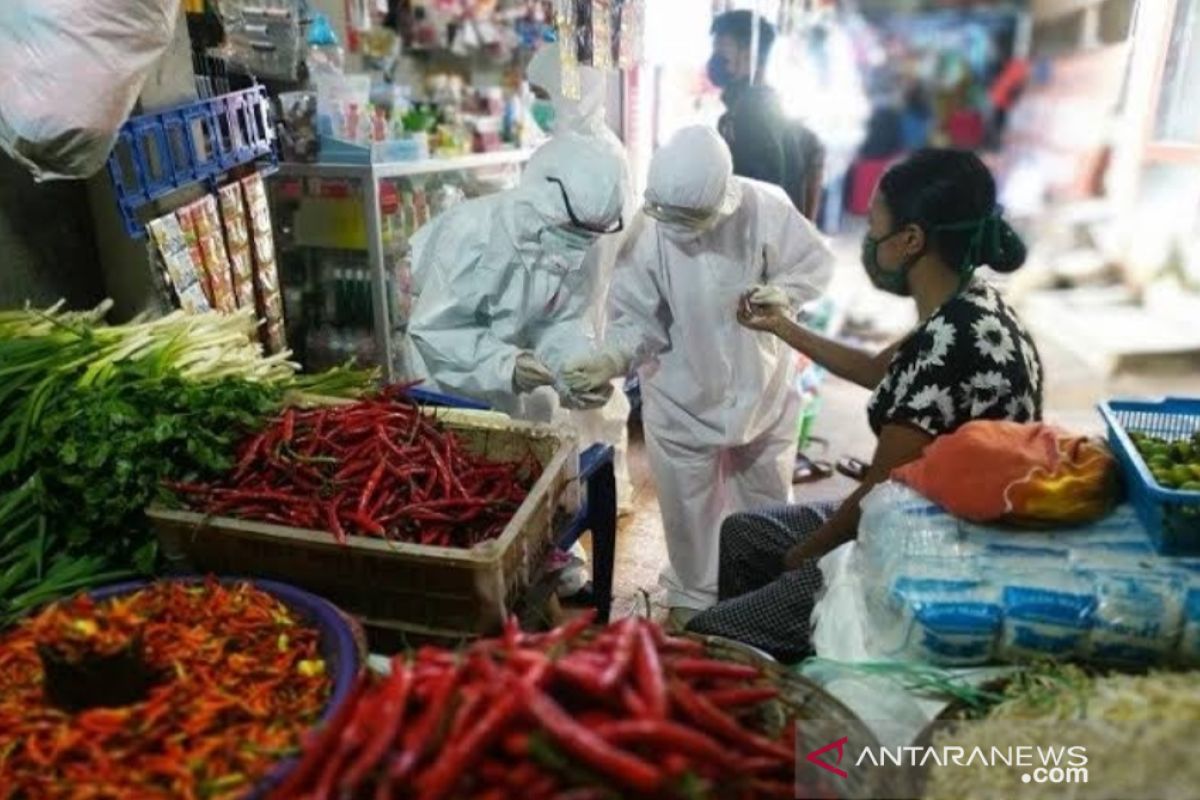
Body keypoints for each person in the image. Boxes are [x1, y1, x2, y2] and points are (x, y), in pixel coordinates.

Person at [686, 148, 1044, 662]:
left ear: (912, 240)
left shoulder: (951, 347)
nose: (869, 238)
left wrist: (805, 556)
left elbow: (876, 492)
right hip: (920, 510)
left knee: (707, 635)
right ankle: (778, 653)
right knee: (743, 532)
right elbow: (878, 371)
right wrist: (783, 327)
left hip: (936, 545)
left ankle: (772, 678)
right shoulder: (967, 304)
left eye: (874, 225)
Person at [563, 126, 834, 626]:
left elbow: (814, 264)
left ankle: (764, 594)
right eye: (671, 217)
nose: (680, 228)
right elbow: (635, 322)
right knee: (688, 515)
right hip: (680, 392)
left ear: (724, 197)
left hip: (762, 387)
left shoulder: (764, 206)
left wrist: (785, 293)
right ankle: (695, 591)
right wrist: (610, 358)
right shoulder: (647, 231)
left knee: (767, 502)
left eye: (692, 219)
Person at [405, 133, 624, 418]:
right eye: (570, 230)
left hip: (507, 392)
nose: (577, 244)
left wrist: (572, 366)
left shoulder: (585, 244)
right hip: (444, 387)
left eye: (589, 236)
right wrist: (507, 366)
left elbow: (559, 319)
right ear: (542, 197)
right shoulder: (472, 231)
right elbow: (434, 331)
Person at [525, 43, 637, 515]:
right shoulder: (609, 147)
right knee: (597, 411)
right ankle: (611, 496)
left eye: (542, 92)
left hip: (558, 304)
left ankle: (567, 527)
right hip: (595, 303)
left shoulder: (561, 158)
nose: (537, 103)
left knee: (556, 417)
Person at [708, 10, 825, 221]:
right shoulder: (760, 104)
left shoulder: (752, 112)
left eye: (722, 52)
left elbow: (757, 198)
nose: (714, 60)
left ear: (749, 56)